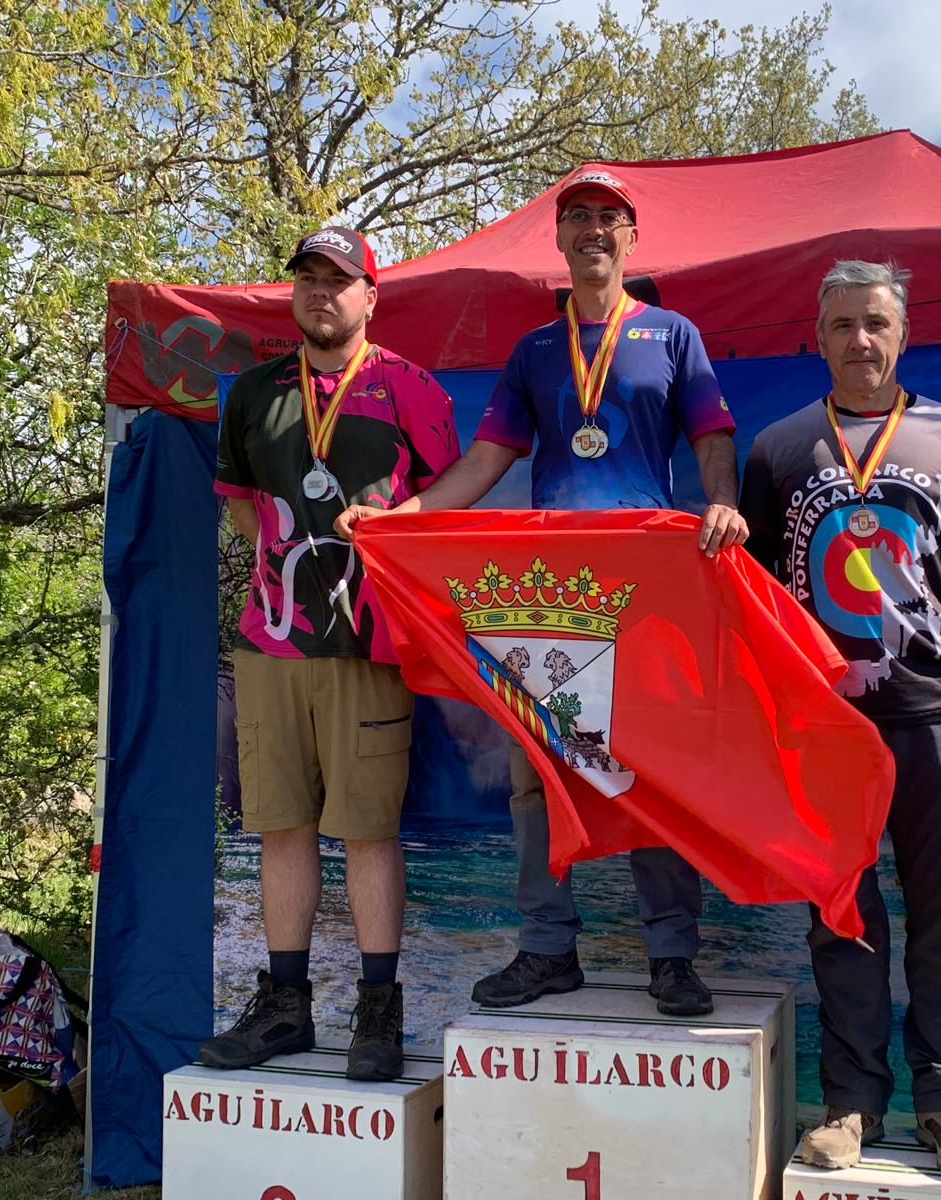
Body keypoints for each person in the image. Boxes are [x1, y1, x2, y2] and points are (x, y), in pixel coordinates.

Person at [335, 166, 746, 1017]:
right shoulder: (532, 352)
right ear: (558, 239)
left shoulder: (673, 336)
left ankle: (671, 955)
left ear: (632, 238)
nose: (594, 230)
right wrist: (402, 520)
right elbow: (486, 464)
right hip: (551, 593)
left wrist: (723, 503)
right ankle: (547, 948)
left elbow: (712, 434)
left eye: (610, 217)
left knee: (654, 772)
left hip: (646, 586)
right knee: (536, 775)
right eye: (578, 218)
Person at [737, 260, 941, 1180]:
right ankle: (851, 1107)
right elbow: (747, 595)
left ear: (904, 334)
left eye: (876, 323)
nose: (860, 341)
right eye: (841, 326)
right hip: (827, 729)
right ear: (815, 337)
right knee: (844, 920)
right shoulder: (778, 449)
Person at [206, 225, 460, 1080]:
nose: (322, 292)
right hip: (270, 645)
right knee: (281, 825)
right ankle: (285, 1008)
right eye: (308, 278)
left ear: (371, 295)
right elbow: (240, 501)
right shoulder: (251, 393)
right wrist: (284, 574)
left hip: (373, 640)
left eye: (339, 279)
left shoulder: (411, 387)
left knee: (368, 831)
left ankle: (377, 1014)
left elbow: (447, 499)